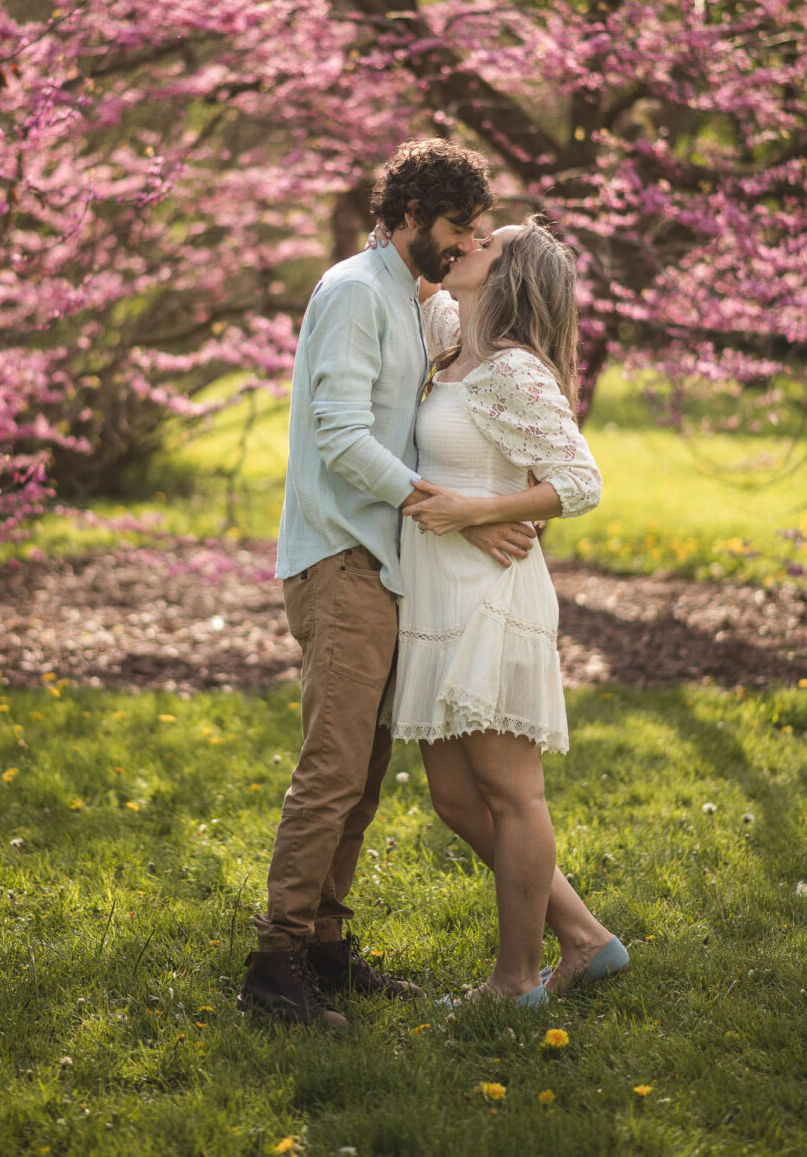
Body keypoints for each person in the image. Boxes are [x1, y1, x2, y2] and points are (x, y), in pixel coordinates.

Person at [237, 138, 538, 1030]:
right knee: (331, 771)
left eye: (475, 229)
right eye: (455, 227)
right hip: (342, 559)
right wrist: (436, 501)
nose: (462, 243)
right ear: (409, 215)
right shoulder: (352, 293)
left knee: (362, 776)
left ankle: (325, 948)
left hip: (380, 563)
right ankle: (274, 964)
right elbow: (337, 433)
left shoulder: (408, 302)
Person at [387, 219, 628, 1004]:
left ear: (508, 276)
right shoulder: (449, 336)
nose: (467, 244)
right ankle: (587, 938)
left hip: (491, 595)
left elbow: (580, 482)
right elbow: (393, 254)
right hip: (437, 594)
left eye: (485, 243)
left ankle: (516, 980)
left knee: (510, 794)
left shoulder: (513, 371)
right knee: (456, 800)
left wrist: (473, 510)